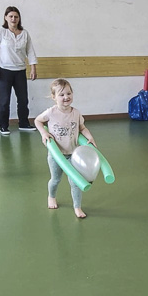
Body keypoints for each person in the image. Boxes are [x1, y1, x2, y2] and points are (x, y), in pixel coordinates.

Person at [34, 79, 96, 219]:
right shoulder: (51, 112)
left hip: (73, 155)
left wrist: (90, 137)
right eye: (61, 95)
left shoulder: (76, 113)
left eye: (69, 93)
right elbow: (37, 121)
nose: (66, 97)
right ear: (54, 97)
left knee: (75, 182)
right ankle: (51, 196)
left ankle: (77, 207)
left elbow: (82, 128)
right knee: (55, 179)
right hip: (56, 156)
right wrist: (44, 133)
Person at [0, 6, 38, 135]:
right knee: (4, 100)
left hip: (20, 71)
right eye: (11, 16)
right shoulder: (0, 32)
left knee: (23, 99)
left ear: (19, 18)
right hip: (3, 71)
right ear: (6, 18)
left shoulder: (25, 33)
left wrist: (33, 68)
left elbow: (30, 52)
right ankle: (3, 126)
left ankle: (24, 124)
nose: (13, 19)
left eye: (16, 17)